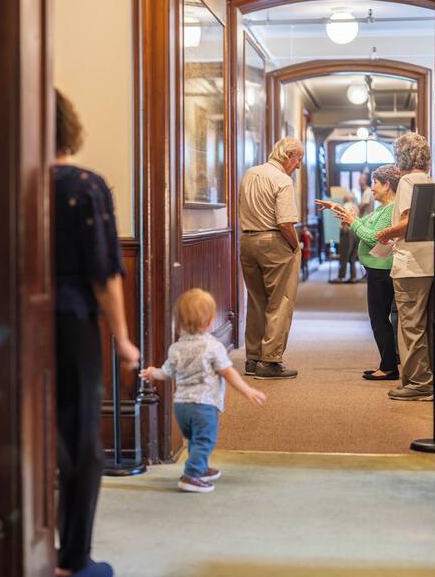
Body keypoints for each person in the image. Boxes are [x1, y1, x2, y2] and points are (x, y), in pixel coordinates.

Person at [53, 90, 140, 577]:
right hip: (69, 320)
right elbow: (104, 272)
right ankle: (72, 561)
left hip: (4, 321)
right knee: (81, 436)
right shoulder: (84, 186)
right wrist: (123, 339)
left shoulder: (2, 183)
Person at [141, 289, 266, 492]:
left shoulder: (176, 348)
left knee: (195, 439)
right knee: (205, 439)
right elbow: (228, 372)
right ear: (210, 321)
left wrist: (151, 373)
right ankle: (191, 475)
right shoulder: (213, 346)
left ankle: (201, 466)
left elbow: (166, 373)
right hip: (204, 406)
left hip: (181, 407)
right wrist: (247, 390)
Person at [319, 164, 402, 381]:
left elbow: (371, 236)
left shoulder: (391, 209)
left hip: (381, 270)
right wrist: (336, 208)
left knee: (379, 319)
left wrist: (353, 221)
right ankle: (388, 363)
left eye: (375, 183)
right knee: (380, 318)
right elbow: (360, 224)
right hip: (376, 269)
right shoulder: (382, 208)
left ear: (387, 185)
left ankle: (389, 367)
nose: (372, 188)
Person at [238, 137, 305, 380]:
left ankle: (253, 359)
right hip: (274, 241)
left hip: (246, 241)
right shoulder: (282, 181)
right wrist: (296, 247)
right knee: (280, 301)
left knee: (256, 301)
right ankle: (271, 361)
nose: (299, 166)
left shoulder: (249, 174)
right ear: (288, 156)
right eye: (299, 159)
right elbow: (285, 223)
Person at [377, 133, 435, 401]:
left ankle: (418, 383)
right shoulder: (431, 180)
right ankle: (421, 378)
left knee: (410, 324)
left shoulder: (408, 182)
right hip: (431, 261)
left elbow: (408, 221)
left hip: (411, 263)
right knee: (423, 323)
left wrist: (386, 232)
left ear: (401, 156)